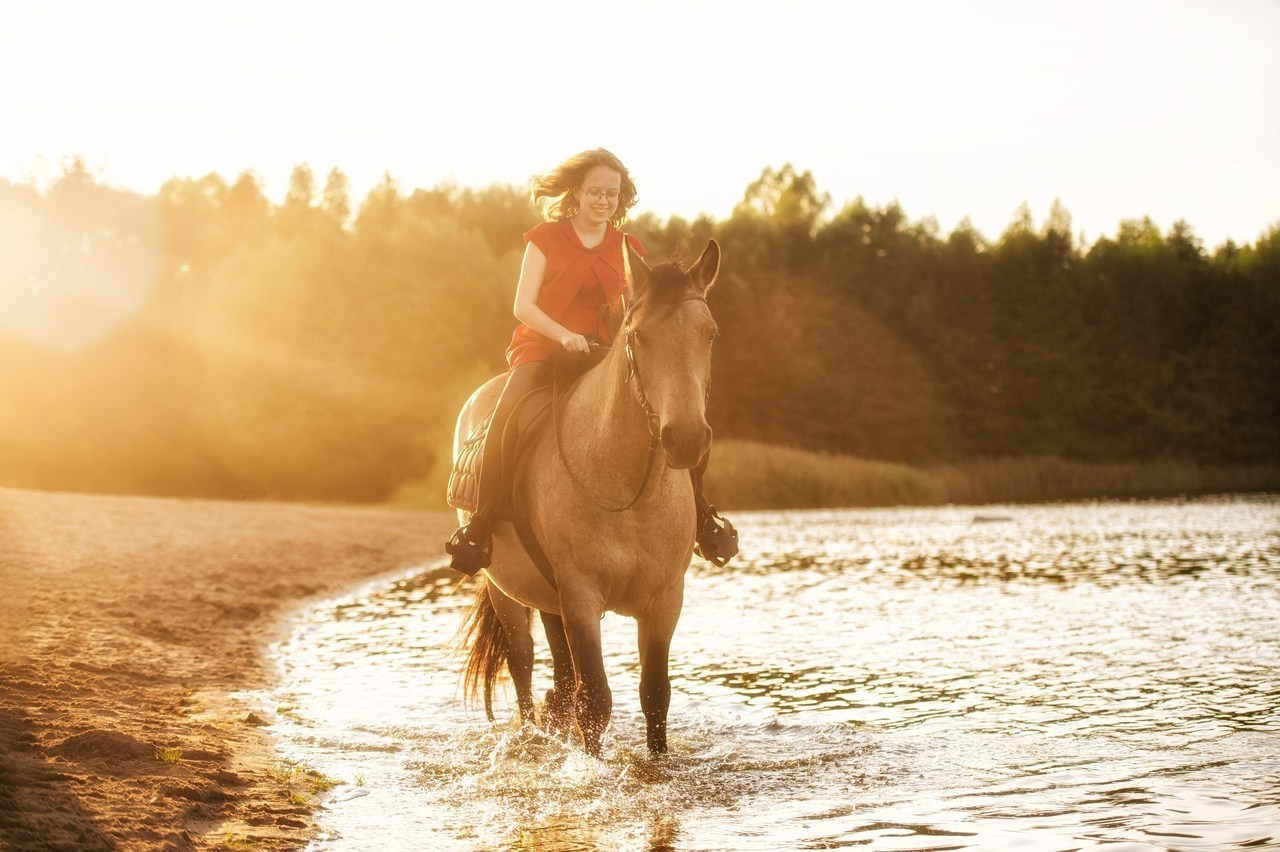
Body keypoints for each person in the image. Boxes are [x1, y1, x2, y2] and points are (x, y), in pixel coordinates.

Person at [446, 148, 736, 575]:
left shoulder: (627, 248)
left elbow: (636, 312)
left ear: (621, 197)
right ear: (577, 193)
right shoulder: (544, 239)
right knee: (507, 418)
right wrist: (563, 335)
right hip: (541, 348)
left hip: (601, 354)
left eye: (612, 193)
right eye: (595, 192)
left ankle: (700, 515)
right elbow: (522, 306)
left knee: (671, 418)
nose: (604, 200)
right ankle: (482, 523)